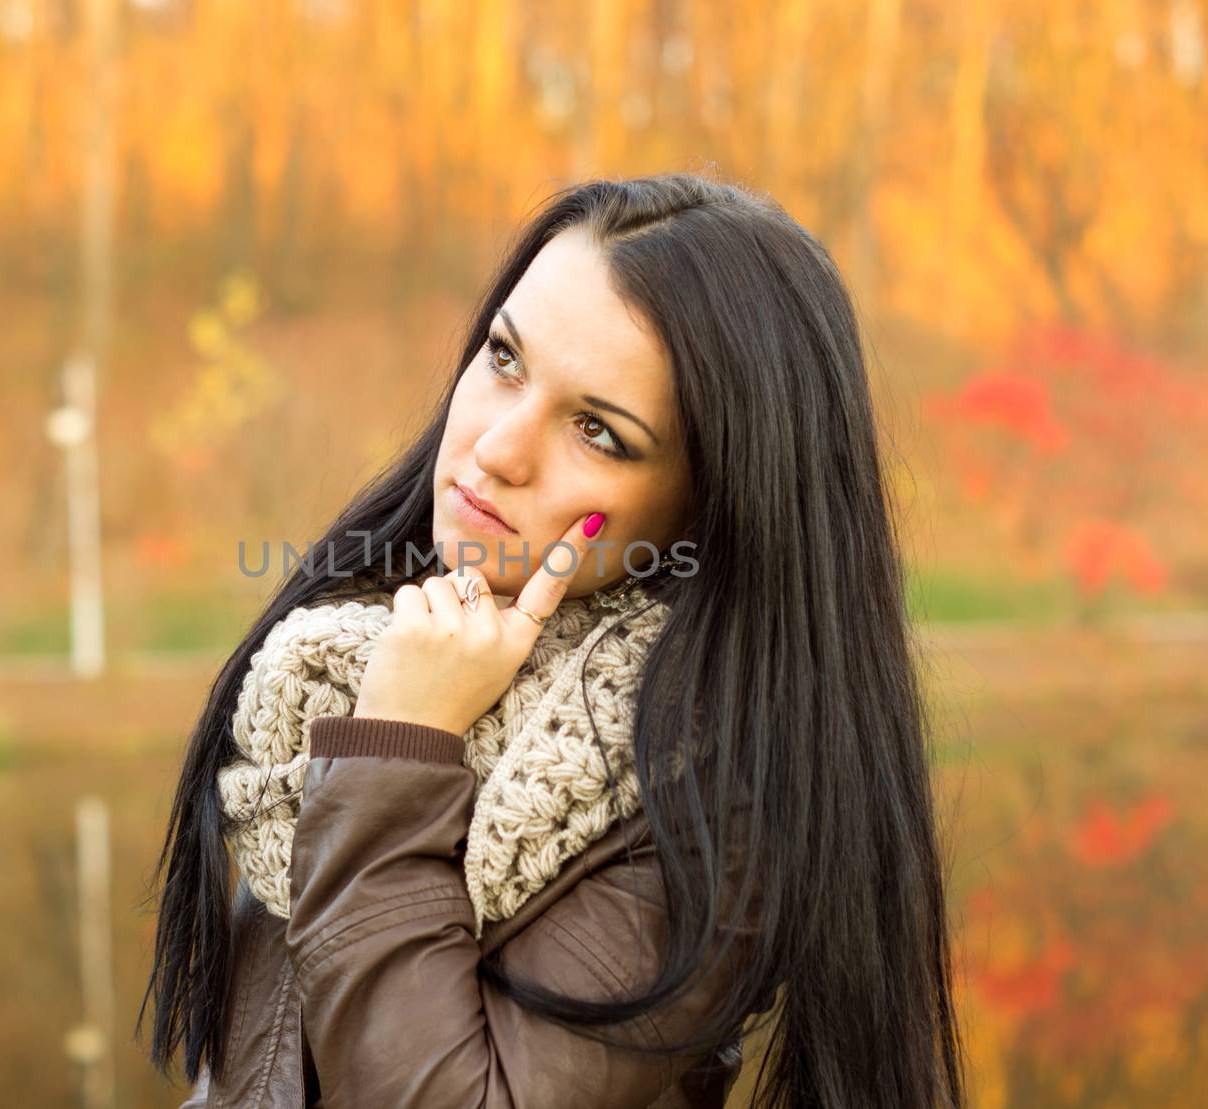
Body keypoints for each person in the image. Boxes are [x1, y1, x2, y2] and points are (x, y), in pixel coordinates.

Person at [139, 172, 966, 1107]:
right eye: (503, 358)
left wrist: (399, 751)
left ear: (711, 507)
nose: (498, 447)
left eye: (598, 431)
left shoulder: (700, 810)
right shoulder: (347, 660)